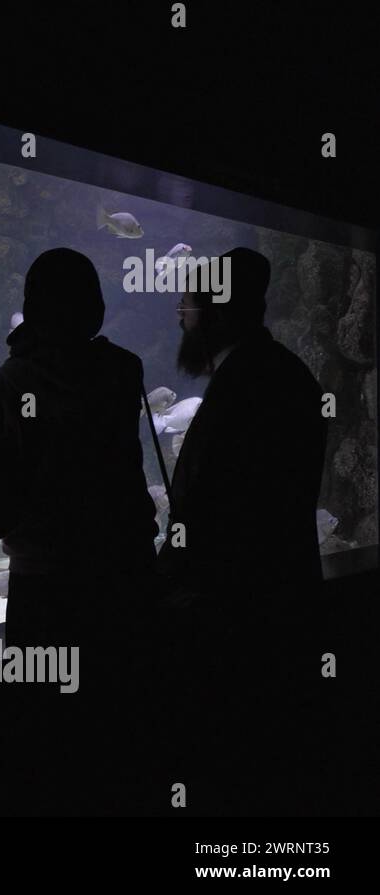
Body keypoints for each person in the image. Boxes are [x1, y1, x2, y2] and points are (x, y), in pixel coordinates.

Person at [0, 247, 158, 812]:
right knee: (130, 737)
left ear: (29, 311)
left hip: (46, 597)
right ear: (97, 310)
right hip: (129, 587)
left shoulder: (3, 391)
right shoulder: (125, 371)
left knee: (46, 744)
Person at [156, 246, 328, 812]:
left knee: (235, 777)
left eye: (193, 301)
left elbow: (214, 511)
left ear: (219, 311)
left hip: (233, 626)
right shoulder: (289, 374)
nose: (181, 309)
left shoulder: (241, 389)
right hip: (287, 607)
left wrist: (166, 583)